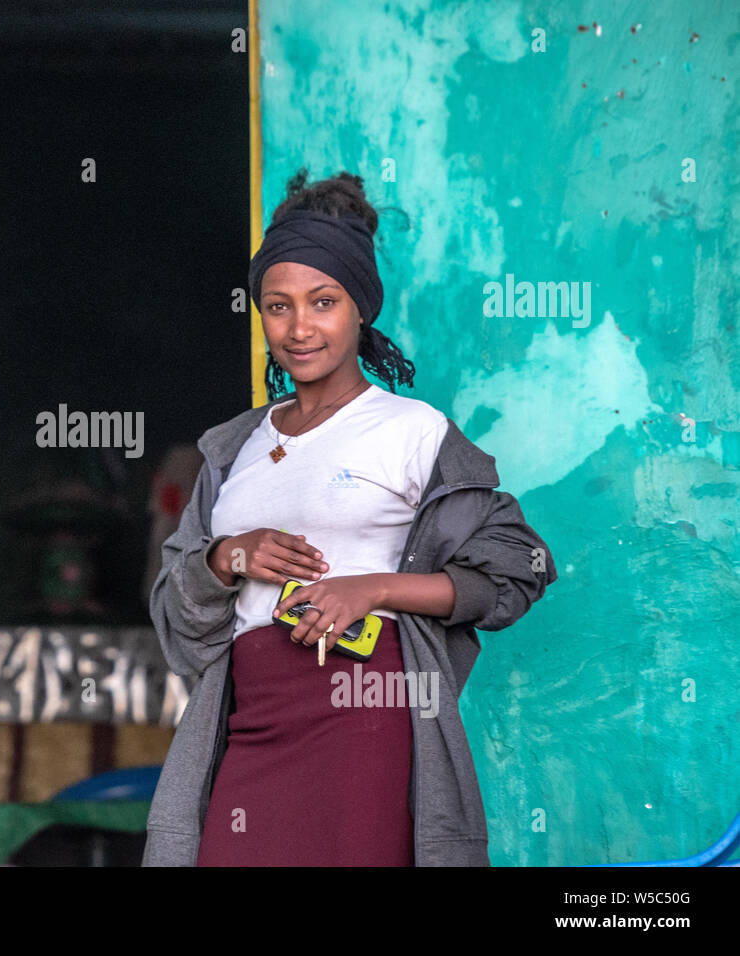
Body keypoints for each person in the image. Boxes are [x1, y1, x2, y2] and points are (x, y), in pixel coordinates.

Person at [143, 169, 557, 866]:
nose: (299, 328)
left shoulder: (412, 434)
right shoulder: (231, 449)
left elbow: (520, 568)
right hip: (250, 720)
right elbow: (178, 620)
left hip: (367, 717)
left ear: (360, 308)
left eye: (323, 302)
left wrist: (374, 588)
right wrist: (227, 559)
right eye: (278, 307)